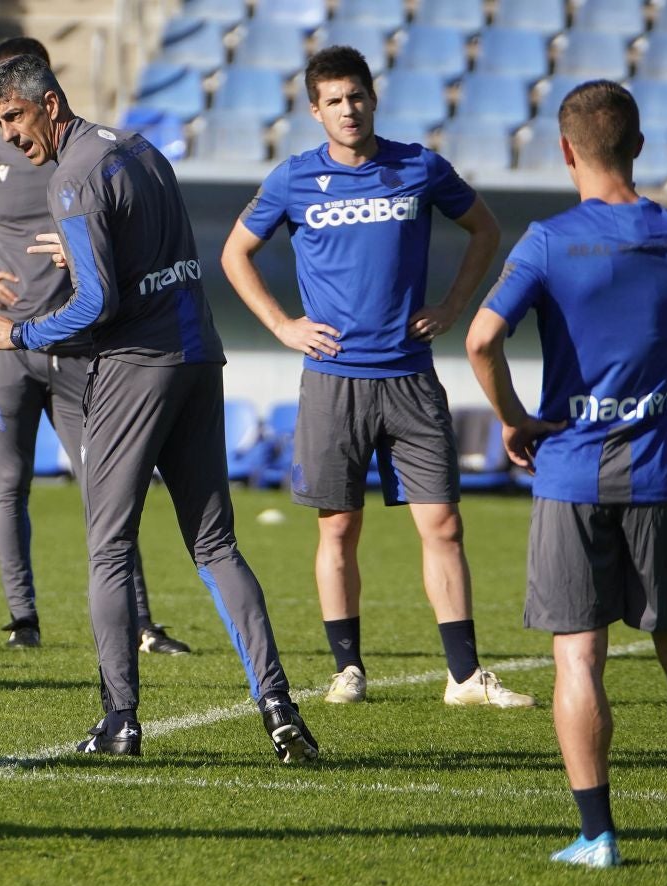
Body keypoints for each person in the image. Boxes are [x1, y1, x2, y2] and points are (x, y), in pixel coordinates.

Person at [0, 55, 316, 763]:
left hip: (137, 370)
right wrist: (81, 255)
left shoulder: (71, 176)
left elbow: (100, 305)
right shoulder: (138, 148)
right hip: (197, 358)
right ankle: (281, 712)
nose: (7, 135)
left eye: (12, 116)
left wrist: (21, 334)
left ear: (48, 102)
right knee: (215, 545)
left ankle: (119, 720)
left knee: (108, 544)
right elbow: (151, 258)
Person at [465, 79, 667, 868]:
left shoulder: (547, 241)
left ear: (565, 151)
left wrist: (514, 418)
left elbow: (479, 342)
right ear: (638, 143)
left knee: (577, 659)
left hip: (568, 472)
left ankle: (596, 837)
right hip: (659, 472)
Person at [220, 45, 534, 710]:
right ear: (315, 111)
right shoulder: (292, 179)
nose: (346, 109)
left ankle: (462, 676)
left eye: (355, 96)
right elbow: (234, 253)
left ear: (371, 99)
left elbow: (484, 229)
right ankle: (346, 669)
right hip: (331, 379)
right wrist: (282, 325)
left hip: (409, 379)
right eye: (332, 100)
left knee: (443, 524)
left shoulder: (417, 166)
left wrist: (452, 306)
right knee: (337, 529)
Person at [0, 38, 189, 655]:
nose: (10, 127)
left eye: (16, 103)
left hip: (79, 347)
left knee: (105, 484)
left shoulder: (82, 160)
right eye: (0, 109)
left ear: (44, 93)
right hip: (7, 349)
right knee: (11, 483)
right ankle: (23, 619)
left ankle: (141, 623)